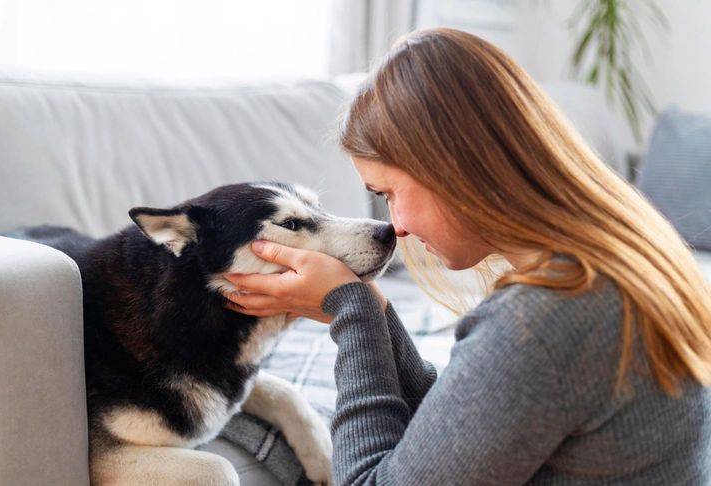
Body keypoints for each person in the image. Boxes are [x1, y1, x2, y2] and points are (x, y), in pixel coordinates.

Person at [223, 28, 711, 485]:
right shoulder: (626, 257)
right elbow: (467, 432)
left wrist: (352, 314)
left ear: (450, 166)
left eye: (388, 192)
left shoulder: (542, 321)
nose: (397, 226)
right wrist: (377, 313)